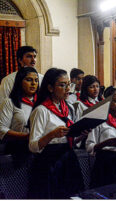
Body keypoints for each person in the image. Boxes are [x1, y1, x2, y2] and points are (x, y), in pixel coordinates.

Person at [28, 68, 84, 199]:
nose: (67, 89)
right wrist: (52, 134)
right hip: (50, 161)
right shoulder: (41, 110)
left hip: (68, 158)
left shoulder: (68, 108)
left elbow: (69, 140)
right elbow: (33, 146)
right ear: (50, 88)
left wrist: (81, 134)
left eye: (69, 84)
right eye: (62, 85)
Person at [86, 86, 116, 188]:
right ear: (107, 101)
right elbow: (89, 146)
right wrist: (105, 143)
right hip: (105, 162)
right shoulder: (99, 119)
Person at [0, 67, 38, 158]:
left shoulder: (41, 103)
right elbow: (1, 129)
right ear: (20, 81)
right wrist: (26, 136)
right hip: (17, 149)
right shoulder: (10, 102)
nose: (33, 83)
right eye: (29, 80)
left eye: (36, 80)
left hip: (38, 149)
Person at [75, 75, 103, 148]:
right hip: (86, 137)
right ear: (85, 89)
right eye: (92, 87)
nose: (95, 89)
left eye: (97, 86)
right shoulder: (80, 104)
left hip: (100, 136)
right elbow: (77, 122)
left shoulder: (102, 102)